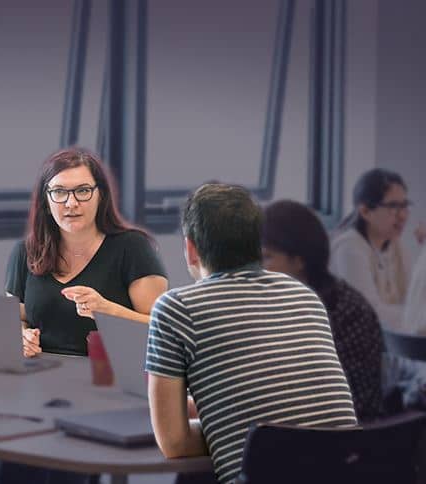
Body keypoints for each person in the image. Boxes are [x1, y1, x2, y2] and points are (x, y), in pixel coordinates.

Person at [146, 184, 357, 484]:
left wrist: (234, 431)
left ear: (191, 249)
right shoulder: (305, 296)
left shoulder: (175, 308)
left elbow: (175, 443)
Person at [5, 147, 168, 357]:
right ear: (46, 201)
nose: (71, 203)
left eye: (82, 191)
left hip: (111, 378)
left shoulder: (133, 247)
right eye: (59, 192)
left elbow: (162, 330)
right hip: (40, 374)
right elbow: (14, 320)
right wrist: (22, 337)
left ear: (101, 196)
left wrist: (107, 310)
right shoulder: (25, 252)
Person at [262, 200, 385, 421]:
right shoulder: (282, 303)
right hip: (298, 431)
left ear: (299, 261)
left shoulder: (346, 311)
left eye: (267, 257)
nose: (258, 268)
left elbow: (350, 404)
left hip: (341, 440)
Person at [329, 168, 417, 329]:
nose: (403, 215)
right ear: (365, 211)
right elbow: (370, 313)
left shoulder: (396, 244)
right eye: (394, 206)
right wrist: (417, 316)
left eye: (405, 206)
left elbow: (414, 300)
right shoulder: (348, 248)